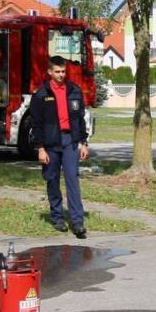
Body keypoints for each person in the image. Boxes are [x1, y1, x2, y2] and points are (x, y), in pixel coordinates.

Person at [30, 56, 89, 238]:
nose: (61, 75)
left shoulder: (74, 91)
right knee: (52, 180)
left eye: (63, 71)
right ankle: (57, 218)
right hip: (50, 145)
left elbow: (80, 119)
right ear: (50, 72)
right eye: (57, 71)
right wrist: (40, 148)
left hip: (70, 142)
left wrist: (83, 143)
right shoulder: (41, 94)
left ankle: (78, 222)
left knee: (72, 179)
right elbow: (36, 124)